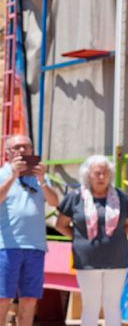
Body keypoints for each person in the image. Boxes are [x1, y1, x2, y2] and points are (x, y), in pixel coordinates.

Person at [54, 155, 128, 326]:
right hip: (87, 262)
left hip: (116, 261)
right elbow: (61, 225)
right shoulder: (76, 197)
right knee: (90, 306)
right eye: (97, 173)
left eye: (106, 173)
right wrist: (79, 238)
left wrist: (114, 237)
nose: (102, 177)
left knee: (113, 306)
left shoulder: (122, 198)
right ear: (88, 175)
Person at [0, 135, 58, 326]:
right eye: (17, 147)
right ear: (7, 153)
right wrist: (13, 177)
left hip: (35, 246)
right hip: (6, 246)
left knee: (30, 299)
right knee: (2, 299)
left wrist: (42, 180)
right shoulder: (2, 174)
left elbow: (54, 202)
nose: (23, 150)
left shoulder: (40, 176)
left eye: (27, 146)